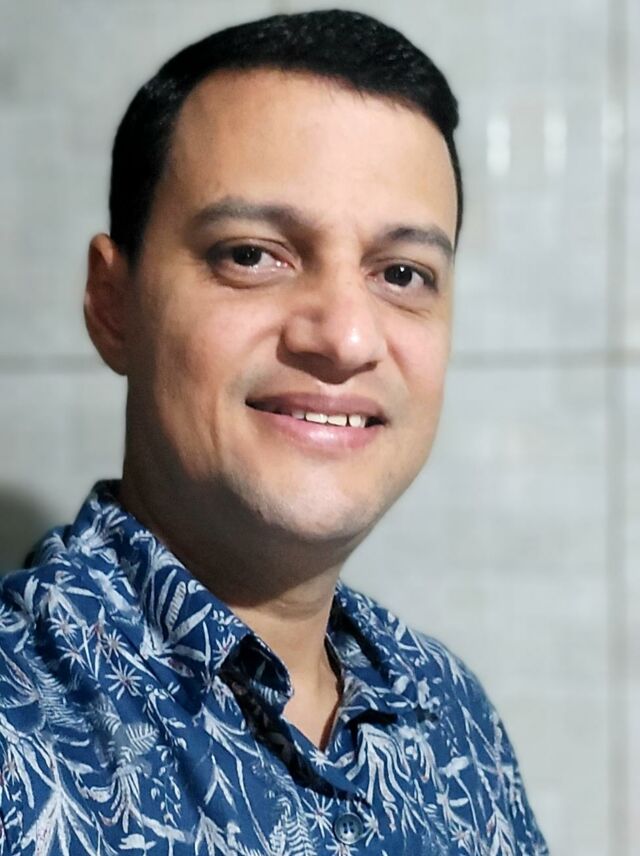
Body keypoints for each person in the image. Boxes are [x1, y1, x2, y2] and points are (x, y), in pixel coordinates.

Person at [0, 10, 548, 855]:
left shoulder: (453, 717)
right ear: (113, 305)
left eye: (402, 273)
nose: (346, 337)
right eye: (253, 256)